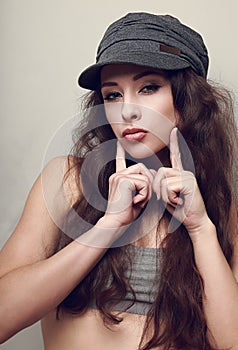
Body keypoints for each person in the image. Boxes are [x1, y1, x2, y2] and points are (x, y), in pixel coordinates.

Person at [0, 11, 237, 350]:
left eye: (148, 87)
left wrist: (200, 229)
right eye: (113, 95)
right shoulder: (67, 181)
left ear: (186, 101)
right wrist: (108, 226)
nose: (127, 110)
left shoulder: (221, 210)